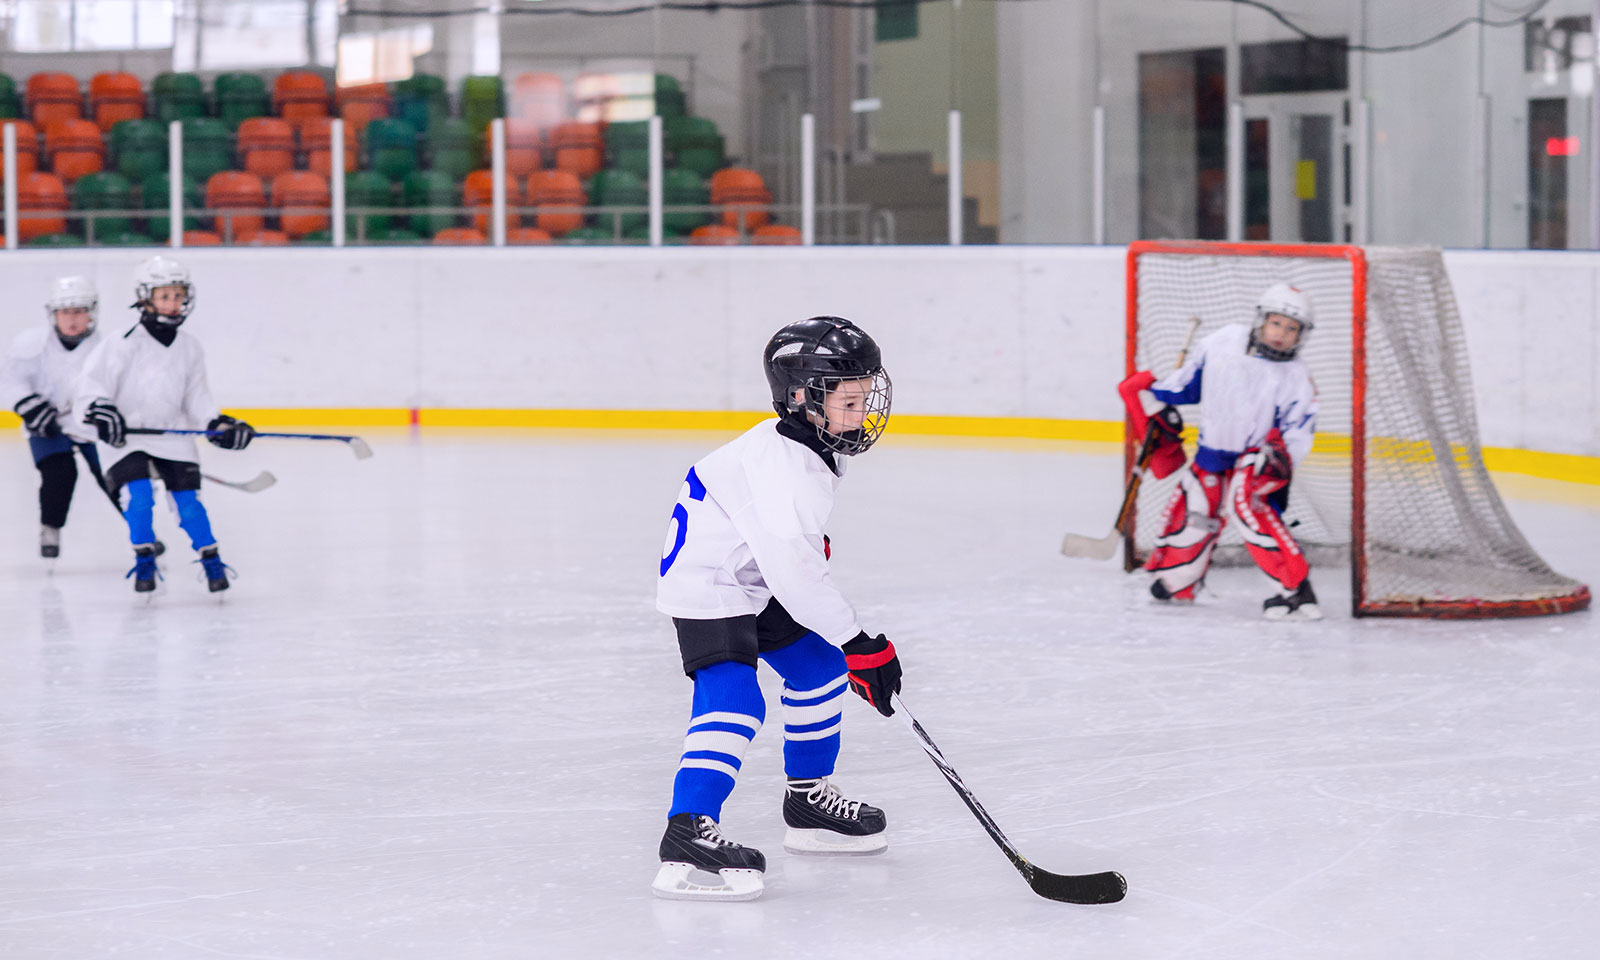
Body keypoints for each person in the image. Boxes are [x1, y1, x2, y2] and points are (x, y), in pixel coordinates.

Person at [651, 316, 902, 902]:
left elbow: (786, 549)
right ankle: (687, 829)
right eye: (847, 402)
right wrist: (860, 641)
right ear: (799, 398)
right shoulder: (783, 467)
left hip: (752, 578)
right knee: (736, 698)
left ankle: (806, 801)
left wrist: (841, 639)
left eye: (865, 397)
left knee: (819, 671)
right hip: (710, 585)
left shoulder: (805, 444)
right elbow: (796, 573)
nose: (862, 414)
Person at [1119, 282, 1321, 620]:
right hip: (1212, 453)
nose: (1280, 334)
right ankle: (1177, 580)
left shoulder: (1297, 376)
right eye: (1276, 323)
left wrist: (1278, 463)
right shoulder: (1223, 342)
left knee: (1250, 513)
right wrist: (1155, 393)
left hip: (1255, 461)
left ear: (1301, 335)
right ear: (1261, 320)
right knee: (1196, 512)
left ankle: (1295, 589)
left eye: (1291, 329)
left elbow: (1299, 430)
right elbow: (1188, 385)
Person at [75, 255, 255, 595]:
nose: (173, 304)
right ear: (145, 298)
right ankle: (145, 559)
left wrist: (216, 423)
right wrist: (100, 410)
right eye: (165, 296)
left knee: (190, 507)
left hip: (173, 435)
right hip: (127, 439)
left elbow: (197, 397)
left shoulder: (190, 347)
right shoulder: (120, 343)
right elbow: (90, 388)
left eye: (178, 295)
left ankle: (211, 559)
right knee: (139, 498)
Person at [2, 276, 111, 559]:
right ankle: (50, 528)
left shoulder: (108, 348)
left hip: (88, 427)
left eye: (79, 311)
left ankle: (142, 533)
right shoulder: (30, 344)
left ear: (91, 313)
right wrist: (28, 406)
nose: (72, 319)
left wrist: (105, 410)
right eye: (65, 312)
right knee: (59, 473)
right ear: (54, 314)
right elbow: (9, 380)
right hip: (46, 426)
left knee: (113, 474)